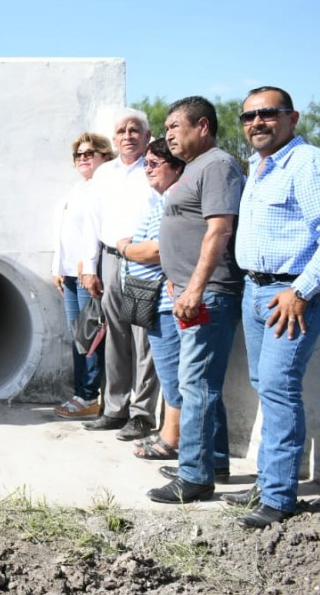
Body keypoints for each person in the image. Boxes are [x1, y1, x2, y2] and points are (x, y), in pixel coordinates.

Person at [227, 86, 320, 528]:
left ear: (292, 117)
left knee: (280, 389)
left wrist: (301, 291)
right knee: (267, 387)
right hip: (257, 290)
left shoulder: (311, 164)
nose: (256, 123)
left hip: (292, 296)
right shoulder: (259, 168)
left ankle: (280, 499)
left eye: (267, 114)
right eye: (248, 117)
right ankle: (269, 482)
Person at [147, 96, 244, 505]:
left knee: (196, 384)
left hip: (209, 295)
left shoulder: (218, 165)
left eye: (174, 126)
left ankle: (195, 477)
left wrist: (195, 287)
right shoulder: (193, 170)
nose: (167, 134)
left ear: (202, 126)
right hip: (190, 291)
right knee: (202, 383)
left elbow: (219, 231)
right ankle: (213, 460)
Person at [81, 109, 161, 442]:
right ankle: (115, 408)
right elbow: (93, 221)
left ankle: (142, 414)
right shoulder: (105, 174)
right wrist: (90, 266)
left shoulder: (156, 168)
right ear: (113, 139)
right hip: (111, 260)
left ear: (146, 136)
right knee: (114, 337)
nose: (127, 135)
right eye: (121, 131)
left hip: (146, 260)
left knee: (143, 338)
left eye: (134, 130)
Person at [115, 139, 186, 460]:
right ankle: (170, 436)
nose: (148, 169)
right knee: (172, 376)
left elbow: (157, 250)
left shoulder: (175, 200)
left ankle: (174, 440)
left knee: (174, 376)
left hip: (167, 302)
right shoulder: (164, 200)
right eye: (146, 163)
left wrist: (127, 249)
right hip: (155, 303)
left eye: (155, 163)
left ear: (176, 167)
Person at [51, 133, 113, 419]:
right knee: (78, 337)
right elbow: (65, 233)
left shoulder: (105, 188)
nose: (84, 158)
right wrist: (57, 268)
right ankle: (81, 394)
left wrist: (89, 269)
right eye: (79, 155)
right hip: (71, 275)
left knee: (90, 339)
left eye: (90, 153)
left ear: (105, 156)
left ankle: (89, 396)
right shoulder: (78, 189)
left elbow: (99, 234)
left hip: (90, 275)